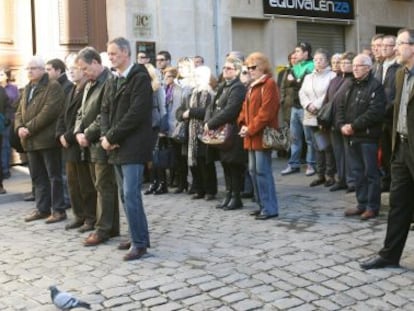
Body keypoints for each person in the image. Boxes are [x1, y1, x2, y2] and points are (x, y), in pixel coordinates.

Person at [360, 28, 414, 269]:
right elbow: (395, 111)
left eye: (400, 43)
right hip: (401, 149)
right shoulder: (402, 74)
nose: (395, 48)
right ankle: (389, 255)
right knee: (398, 204)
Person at [101, 37, 153, 261]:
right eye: (109, 54)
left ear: (125, 53)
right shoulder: (113, 79)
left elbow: (136, 114)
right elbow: (104, 110)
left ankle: (140, 243)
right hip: (115, 146)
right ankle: (135, 235)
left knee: (132, 195)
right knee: (124, 194)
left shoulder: (139, 78)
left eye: (113, 53)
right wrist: (106, 135)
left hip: (133, 146)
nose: (110, 57)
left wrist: (112, 136)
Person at [74, 47, 120, 246]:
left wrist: (88, 133)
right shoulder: (89, 84)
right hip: (88, 143)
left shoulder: (108, 81)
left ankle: (103, 229)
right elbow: (81, 112)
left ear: (95, 62)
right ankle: (111, 227)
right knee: (100, 185)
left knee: (104, 187)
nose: (83, 72)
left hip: (101, 142)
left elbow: (105, 114)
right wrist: (77, 131)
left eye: (85, 68)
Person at [15, 56, 67, 223]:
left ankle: (58, 210)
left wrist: (29, 128)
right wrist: (19, 127)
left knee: (54, 176)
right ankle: (42, 209)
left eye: (33, 68)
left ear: (42, 69)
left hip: (46, 140)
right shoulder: (27, 88)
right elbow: (18, 112)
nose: (29, 71)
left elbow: (50, 111)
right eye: (28, 69)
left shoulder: (53, 86)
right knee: (38, 177)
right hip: (29, 141)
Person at [337, 53, 386, 220]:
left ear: (368, 68)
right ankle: (361, 203)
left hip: (367, 137)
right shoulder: (350, 84)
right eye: (354, 65)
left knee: (371, 173)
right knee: (357, 172)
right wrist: (342, 125)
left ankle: (372, 207)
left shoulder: (376, 86)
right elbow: (340, 106)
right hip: (351, 136)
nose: (355, 68)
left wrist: (353, 126)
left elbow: (375, 113)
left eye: (359, 65)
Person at [56, 53, 97, 232]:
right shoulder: (71, 90)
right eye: (69, 69)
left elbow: (84, 118)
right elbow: (62, 115)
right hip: (67, 143)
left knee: (85, 184)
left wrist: (69, 136)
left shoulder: (88, 88)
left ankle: (90, 217)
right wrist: (60, 134)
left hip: (79, 142)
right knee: (73, 184)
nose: (71, 72)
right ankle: (78, 215)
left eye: (75, 68)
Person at [238, 52, 280, 220]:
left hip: (261, 135)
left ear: (262, 67)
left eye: (253, 67)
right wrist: (242, 125)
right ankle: (262, 205)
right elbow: (244, 109)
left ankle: (269, 208)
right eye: (248, 67)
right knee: (254, 171)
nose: (250, 70)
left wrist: (250, 128)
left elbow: (266, 113)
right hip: (251, 135)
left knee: (263, 172)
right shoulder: (253, 85)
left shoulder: (269, 84)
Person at [205, 57, 246, 210]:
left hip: (232, 132)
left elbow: (231, 110)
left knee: (233, 165)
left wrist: (212, 123)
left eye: (229, 68)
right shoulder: (223, 86)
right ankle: (228, 195)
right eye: (224, 68)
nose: (225, 70)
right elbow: (212, 106)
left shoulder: (238, 87)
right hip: (221, 132)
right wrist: (208, 121)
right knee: (225, 164)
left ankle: (236, 197)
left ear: (237, 71)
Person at [299, 48, 336, 187]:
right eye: (315, 59)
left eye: (321, 59)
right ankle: (320, 174)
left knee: (326, 146)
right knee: (317, 146)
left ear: (327, 61)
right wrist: (308, 105)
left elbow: (328, 93)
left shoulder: (332, 76)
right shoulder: (309, 76)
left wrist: (316, 105)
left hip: (323, 115)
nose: (318, 62)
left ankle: (329, 174)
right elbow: (302, 93)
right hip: (310, 115)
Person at [181, 65, 217, 200]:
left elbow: (208, 112)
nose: (196, 79)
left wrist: (190, 112)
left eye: (198, 76)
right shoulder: (191, 93)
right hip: (191, 132)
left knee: (206, 162)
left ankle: (210, 190)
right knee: (194, 162)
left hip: (205, 131)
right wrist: (182, 114)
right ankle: (199, 188)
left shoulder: (210, 94)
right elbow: (181, 109)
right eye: (194, 76)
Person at [281, 42, 316, 176]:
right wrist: (296, 80)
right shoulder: (296, 66)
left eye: (298, 52)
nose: (295, 54)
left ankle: (311, 165)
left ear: (306, 53)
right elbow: (289, 82)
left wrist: (295, 80)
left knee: (309, 139)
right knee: (295, 138)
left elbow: (300, 84)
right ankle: (293, 164)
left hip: (306, 107)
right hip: (294, 107)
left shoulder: (311, 65)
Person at [46, 58, 73, 209]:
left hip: (63, 133)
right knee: (57, 170)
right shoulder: (52, 86)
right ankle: (62, 198)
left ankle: (67, 199)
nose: (47, 72)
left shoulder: (66, 86)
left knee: (64, 170)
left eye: (49, 69)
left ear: (58, 70)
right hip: (55, 133)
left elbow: (62, 112)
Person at [329, 52, 356, 192]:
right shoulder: (335, 80)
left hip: (347, 122)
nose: (344, 65)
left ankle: (351, 181)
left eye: (347, 63)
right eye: (342, 63)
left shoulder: (353, 80)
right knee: (338, 152)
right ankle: (341, 179)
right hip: (334, 121)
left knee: (348, 153)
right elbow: (329, 101)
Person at [378, 35, 401, 193]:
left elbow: (397, 94)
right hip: (379, 117)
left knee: (395, 151)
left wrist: (386, 109)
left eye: (388, 45)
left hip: (392, 116)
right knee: (384, 150)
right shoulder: (379, 65)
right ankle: (386, 179)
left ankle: (395, 181)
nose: (384, 48)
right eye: (382, 45)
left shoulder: (398, 66)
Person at [143, 63, 167, 195]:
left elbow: (163, 107)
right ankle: (153, 182)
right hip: (146, 124)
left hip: (156, 124)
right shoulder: (143, 87)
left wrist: (163, 127)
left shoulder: (157, 87)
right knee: (149, 156)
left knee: (157, 155)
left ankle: (162, 183)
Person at [0, 66, 19, 179]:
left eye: (2, 74)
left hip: (5, 121)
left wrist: (7, 119)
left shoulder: (11, 89)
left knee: (5, 146)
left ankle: (5, 170)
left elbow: (12, 105)